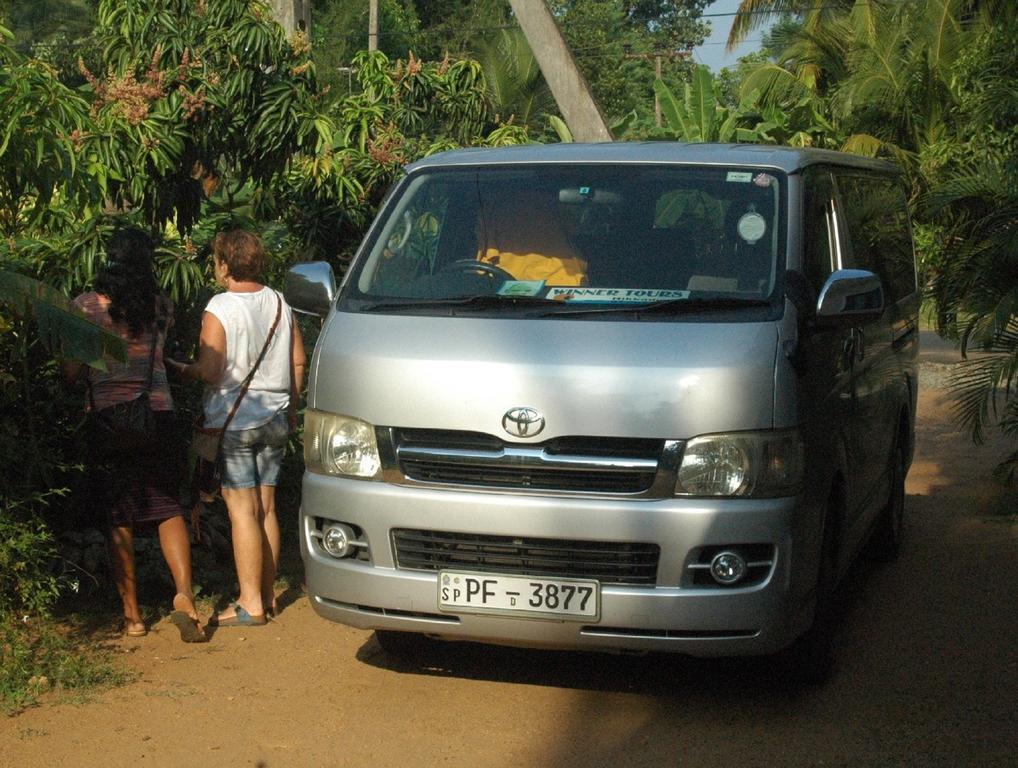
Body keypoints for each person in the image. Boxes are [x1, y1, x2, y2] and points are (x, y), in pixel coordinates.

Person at [65, 227, 206, 643]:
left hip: (110, 420)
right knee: (167, 508)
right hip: (158, 415)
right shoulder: (160, 306)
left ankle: (133, 617)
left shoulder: (85, 308)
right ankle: (186, 597)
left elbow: (72, 374)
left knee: (120, 515)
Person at [168, 230, 306, 627]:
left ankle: (250, 604)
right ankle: (267, 594)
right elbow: (298, 361)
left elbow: (211, 370)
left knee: (242, 511)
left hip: (235, 423)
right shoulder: (281, 302)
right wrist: (291, 407)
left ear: (225, 264)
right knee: (267, 508)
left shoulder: (220, 307)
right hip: (276, 417)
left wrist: (185, 369)